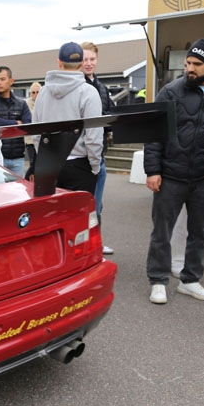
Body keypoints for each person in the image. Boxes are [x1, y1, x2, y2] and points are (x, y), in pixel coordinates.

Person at [143, 38, 204, 305]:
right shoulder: (170, 91)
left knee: (199, 233)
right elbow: (154, 133)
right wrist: (152, 170)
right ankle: (158, 280)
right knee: (161, 232)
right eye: (188, 63)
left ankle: (190, 280)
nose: (190, 68)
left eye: (197, 64)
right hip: (170, 175)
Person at [33, 42, 104, 195]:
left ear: (59, 62)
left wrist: (43, 158)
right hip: (79, 164)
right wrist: (95, 166)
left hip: (49, 163)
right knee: (80, 210)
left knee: (51, 209)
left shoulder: (43, 92)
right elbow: (94, 136)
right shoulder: (88, 92)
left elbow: (36, 131)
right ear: (81, 62)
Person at [81, 42, 116, 254]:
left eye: (92, 59)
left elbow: (109, 114)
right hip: (81, 154)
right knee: (84, 205)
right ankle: (84, 247)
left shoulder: (102, 88)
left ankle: (96, 244)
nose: (88, 63)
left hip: (99, 153)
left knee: (97, 204)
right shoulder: (78, 86)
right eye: (84, 59)